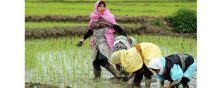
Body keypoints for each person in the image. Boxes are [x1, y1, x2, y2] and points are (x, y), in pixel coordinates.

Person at [77, 0, 130, 81]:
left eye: (103, 6)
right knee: (95, 61)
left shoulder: (108, 16)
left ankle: (117, 75)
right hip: (95, 40)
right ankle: (97, 79)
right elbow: (91, 30)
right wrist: (83, 39)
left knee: (102, 59)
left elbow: (116, 27)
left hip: (105, 39)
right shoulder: (93, 17)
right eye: (100, 6)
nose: (102, 8)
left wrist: (125, 36)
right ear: (96, 7)